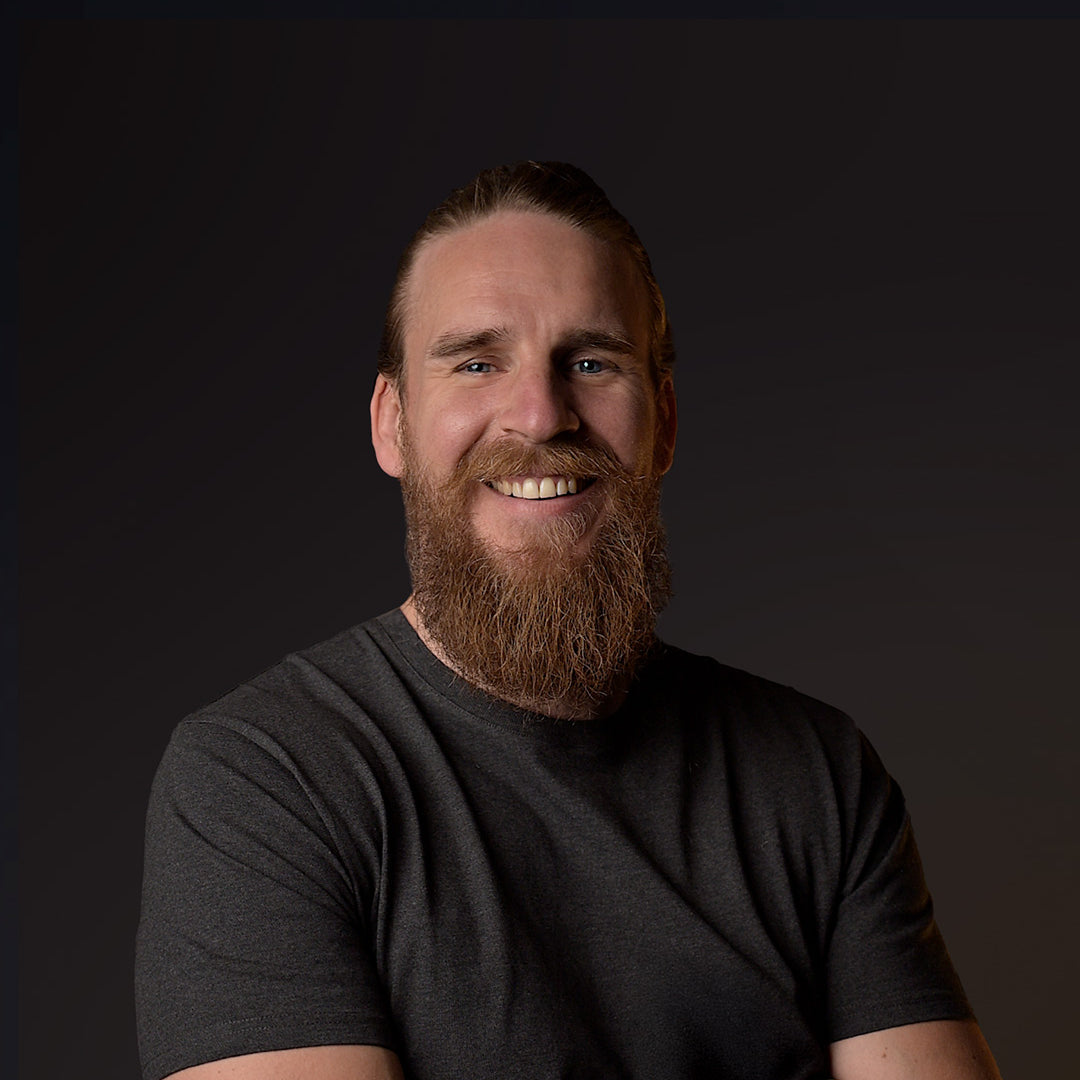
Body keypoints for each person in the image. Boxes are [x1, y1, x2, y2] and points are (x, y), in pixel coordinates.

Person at [135, 161, 1002, 1080]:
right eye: (477, 362)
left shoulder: (815, 774)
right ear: (392, 424)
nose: (541, 414)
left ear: (664, 423)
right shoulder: (268, 778)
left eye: (591, 362)